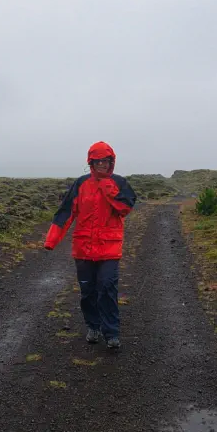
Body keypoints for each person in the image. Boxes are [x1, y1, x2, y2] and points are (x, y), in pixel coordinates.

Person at [43, 141, 137, 349]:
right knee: (88, 291)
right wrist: (52, 240)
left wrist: (107, 188)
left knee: (107, 287)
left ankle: (111, 332)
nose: (102, 165)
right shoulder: (81, 184)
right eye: (98, 161)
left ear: (112, 162)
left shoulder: (119, 183)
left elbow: (125, 209)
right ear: (91, 162)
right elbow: (65, 213)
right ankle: (93, 326)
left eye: (106, 161)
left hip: (109, 248)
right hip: (83, 248)